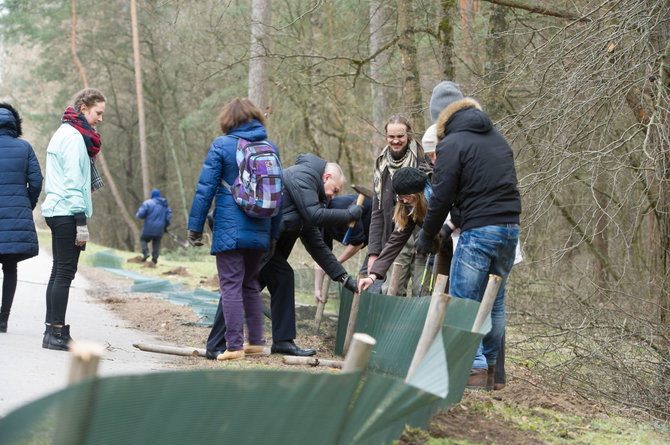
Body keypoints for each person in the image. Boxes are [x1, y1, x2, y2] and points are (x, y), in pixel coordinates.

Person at [415, 81, 521, 389]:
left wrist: (427, 234)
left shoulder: (452, 144)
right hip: (509, 229)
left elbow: (443, 197)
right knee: (495, 302)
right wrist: (447, 228)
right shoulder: (497, 139)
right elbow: (478, 192)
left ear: (441, 118)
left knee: (465, 301)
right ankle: (490, 372)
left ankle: (471, 371)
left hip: (479, 233)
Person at [202, 154, 362, 358]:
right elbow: (315, 215)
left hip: (264, 244)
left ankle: (283, 341)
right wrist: (349, 215)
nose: (333, 196)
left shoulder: (309, 198)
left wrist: (343, 277)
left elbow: (317, 246)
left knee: (283, 277)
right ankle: (215, 346)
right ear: (327, 177)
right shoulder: (302, 176)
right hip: (247, 235)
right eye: (335, 190)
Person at [187, 98, 281, 361]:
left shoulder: (222, 145)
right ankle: (256, 343)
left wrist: (195, 227)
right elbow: (278, 193)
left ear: (228, 120)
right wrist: (273, 234)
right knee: (250, 284)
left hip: (230, 226)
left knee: (230, 286)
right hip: (261, 227)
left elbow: (205, 189)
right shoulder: (269, 147)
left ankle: (234, 347)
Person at [40, 88, 106, 351]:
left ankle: (51, 332)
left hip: (60, 210)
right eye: (98, 112)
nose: (100, 118)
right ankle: (57, 333)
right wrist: (80, 219)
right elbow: (72, 182)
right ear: (83, 108)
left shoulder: (68, 133)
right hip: (66, 211)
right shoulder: (72, 137)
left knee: (59, 271)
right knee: (65, 272)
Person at [368, 114, 431, 297]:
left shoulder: (424, 159)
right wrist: (374, 251)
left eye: (400, 136)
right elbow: (377, 211)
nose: (396, 141)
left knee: (422, 291)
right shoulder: (382, 166)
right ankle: (393, 326)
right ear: (386, 136)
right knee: (391, 291)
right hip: (397, 233)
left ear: (409, 135)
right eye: (391, 137)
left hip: (423, 233)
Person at [358, 167, 449, 292]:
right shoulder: (410, 207)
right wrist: (373, 276)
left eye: (407, 196)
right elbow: (395, 242)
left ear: (418, 194)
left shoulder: (439, 199)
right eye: (401, 198)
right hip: (441, 250)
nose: (404, 201)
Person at [0, 103, 43, 333]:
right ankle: (3, 318)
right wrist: (26, 203)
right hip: (14, 217)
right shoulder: (24, 147)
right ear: (15, 125)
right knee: (10, 268)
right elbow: (36, 181)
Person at [314, 194, 372, 303]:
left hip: (381, 229)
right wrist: (318, 289)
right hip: (364, 237)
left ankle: (371, 313)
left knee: (369, 274)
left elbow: (357, 243)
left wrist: (334, 265)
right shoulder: (322, 222)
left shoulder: (341, 208)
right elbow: (320, 257)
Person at [136, 188, 172, 264]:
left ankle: (146, 253)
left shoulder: (147, 203)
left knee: (143, 239)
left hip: (149, 226)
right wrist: (165, 226)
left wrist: (146, 216)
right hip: (160, 228)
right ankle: (154, 260)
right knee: (157, 242)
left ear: (152, 195)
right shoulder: (165, 205)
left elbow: (140, 215)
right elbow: (168, 216)